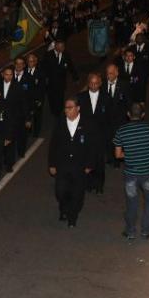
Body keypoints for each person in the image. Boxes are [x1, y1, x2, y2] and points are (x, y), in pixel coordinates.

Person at [113, 103, 149, 239]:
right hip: (148, 173)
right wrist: (148, 148)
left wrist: (131, 153)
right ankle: (146, 231)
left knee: (131, 203)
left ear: (128, 114)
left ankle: (130, 231)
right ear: (143, 115)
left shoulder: (121, 131)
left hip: (131, 174)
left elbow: (118, 155)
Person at [48, 97, 96, 227]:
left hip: (79, 166)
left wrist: (89, 164)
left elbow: (92, 146)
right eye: (66, 108)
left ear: (78, 108)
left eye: (70, 107)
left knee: (77, 193)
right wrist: (52, 164)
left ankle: (72, 217)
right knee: (60, 191)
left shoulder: (87, 124)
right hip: (62, 165)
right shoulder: (60, 123)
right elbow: (53, 144)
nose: (67, 111)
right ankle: (63, 208)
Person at [77, 73, 109, 194]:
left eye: (96, 83)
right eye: (91, 83)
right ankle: (88, 184)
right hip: (85, 135)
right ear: (88, 83)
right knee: (86, 160)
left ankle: (99, 185)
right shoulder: (80, 97)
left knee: (99, 162)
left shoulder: (106, 97)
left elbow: (109, 118)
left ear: (100, 84)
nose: (94, 85)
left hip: (100, 136)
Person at [102, 64, 131, 167]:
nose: (108, 76)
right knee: (108, 139)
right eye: (107, 73)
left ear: (116, 73)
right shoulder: (103, 85)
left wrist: (129, 114)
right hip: (106, 119)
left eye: (110, 73)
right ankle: (110, 157)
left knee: (118, 141)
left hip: (119, 120)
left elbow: (128, 102)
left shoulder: (124, 85)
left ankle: (116, 160)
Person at [44, 40, 78, 117]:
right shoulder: (48, 55)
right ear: (56, 46)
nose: (63, 48)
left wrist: (75, 77)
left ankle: (59, 113)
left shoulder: (66, 55)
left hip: (61, 83)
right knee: (52, 98)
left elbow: (71, 66)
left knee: (60, 98)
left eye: (63, 46)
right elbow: (43, 68)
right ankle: (53, 111)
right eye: (61, 46)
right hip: (51, 83)